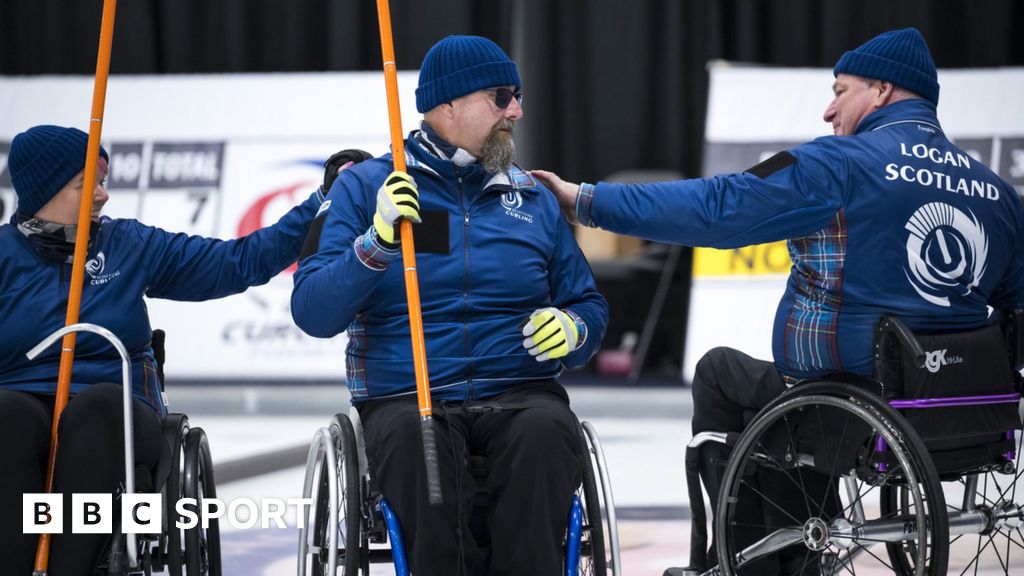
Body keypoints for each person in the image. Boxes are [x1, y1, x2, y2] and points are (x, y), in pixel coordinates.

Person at [533, 27, 1024, 573]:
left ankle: (736, 562)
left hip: (854, 408)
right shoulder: (998, 193)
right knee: (792, 395)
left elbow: (718, 206)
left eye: (840, 91)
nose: (828, 111)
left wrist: (589, 202)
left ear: (882, 90)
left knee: (724, 375)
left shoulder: (838, 164)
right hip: (968, 413)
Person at [291, 35, 608, 576]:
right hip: (406, 394)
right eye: (502, 97)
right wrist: (376, 241)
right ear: (448, 105)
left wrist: (574, 326)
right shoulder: (367, 188)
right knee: (420, 451)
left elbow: (588, 304)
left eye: (518, 96)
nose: (518, 110)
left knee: (547, 435)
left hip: (519, 388)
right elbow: (313, 312)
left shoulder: (532, 198)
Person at [0, 124, 368, 575]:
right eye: (87, 185)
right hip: (21, 399)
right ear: (44, 191)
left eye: (103, 182)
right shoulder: (4, 255)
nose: (103, 196)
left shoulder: (127, 244)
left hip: (113, 407)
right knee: (7, 417)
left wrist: (320, 204)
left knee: (97, 410)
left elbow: (238, 262)